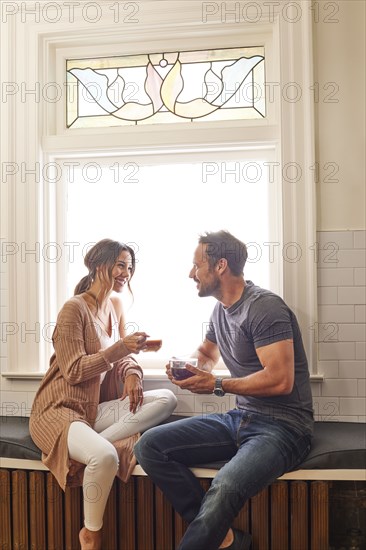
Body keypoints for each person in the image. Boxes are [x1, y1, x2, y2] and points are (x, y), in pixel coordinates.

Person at [134, 230, 314, 550]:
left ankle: (211, 535)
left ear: (220, 266)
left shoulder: (264, 307)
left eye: (196, 265)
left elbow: (280, 379)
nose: (191, 273)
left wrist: (216, 384)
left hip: (284, 427)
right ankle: (225, 538)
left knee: (226, 484)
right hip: (241, 417)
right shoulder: (220, 310)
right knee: (149, 446)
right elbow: (206, 355)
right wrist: (190, 369)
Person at [29, 238, 177, 550]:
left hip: (91, 411)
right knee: (106, 456)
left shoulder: (114, 305)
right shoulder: (74, 309)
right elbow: (73, 371)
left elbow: (120, 356)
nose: (127, 272)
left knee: (166, 399)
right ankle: (91, 534)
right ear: (101, 266)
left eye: (130, 267)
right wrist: (121, 347)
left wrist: (134, 374)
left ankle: (96, 445)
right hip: (57, 411)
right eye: (121, 265)